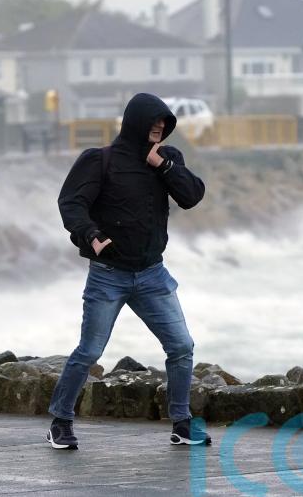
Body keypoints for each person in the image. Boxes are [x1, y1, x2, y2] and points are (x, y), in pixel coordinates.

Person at [46, 93, 210, 449]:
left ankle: (182, 423)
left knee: (181, 346)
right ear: (135, 122)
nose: (159, 128)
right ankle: (60, 421)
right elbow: (71, 202)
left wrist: (163, 166)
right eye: (153, 123)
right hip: (109, 274)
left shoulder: (166, 159)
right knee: (89, 352)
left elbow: (192, 195)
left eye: (164, 124)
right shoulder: (99, 160)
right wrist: (91, 235)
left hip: (152, 274)